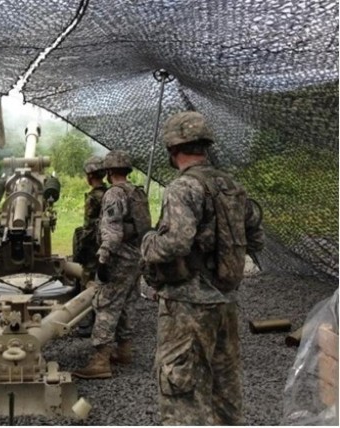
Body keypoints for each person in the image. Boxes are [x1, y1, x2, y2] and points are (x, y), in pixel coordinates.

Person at [140, 111, 265, 425]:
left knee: (183, 396)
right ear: (205, 145)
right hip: (225, 303)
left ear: (172, 149)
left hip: (187, 307)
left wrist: (147, 243)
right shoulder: (232, 187)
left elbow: (176, 243)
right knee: (224, 393)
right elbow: (256, 238)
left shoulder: (183, 188)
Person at [73, 149, 151, 379]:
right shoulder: (138, 192)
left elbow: (113, 231)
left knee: (106, 305)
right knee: (128, 302)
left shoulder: (114, 194)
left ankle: (100, 361)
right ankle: (124, 351)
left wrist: (103, 257)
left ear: (108, 171)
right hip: (137, 257)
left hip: (118, 258)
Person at [72, 155, 107, 337]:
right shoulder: (110, 193)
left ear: (90, 176)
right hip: (106, 245)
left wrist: (81, 250)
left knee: (87, 282)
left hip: (93, 246)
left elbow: (88, 227)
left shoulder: (94, 197)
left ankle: (87, 323)